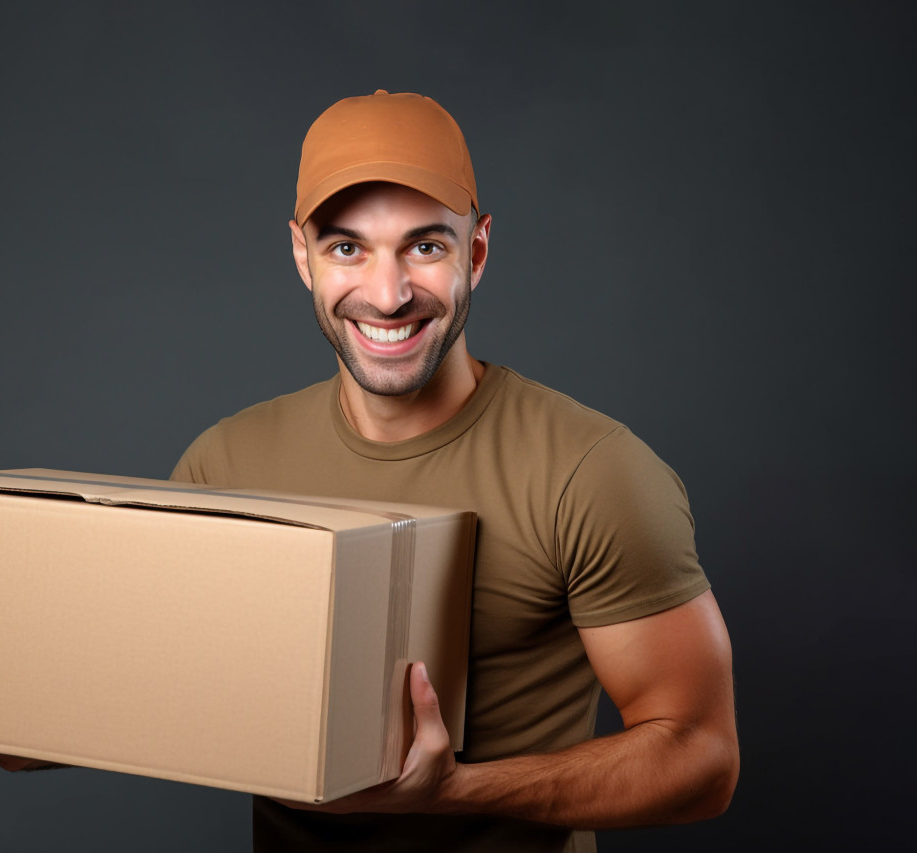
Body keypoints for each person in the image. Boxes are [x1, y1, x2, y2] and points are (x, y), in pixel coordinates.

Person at [166, 90, 739, 852]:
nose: (388, 293)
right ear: (302, 256)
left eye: (425, 246)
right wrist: (24, 721)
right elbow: (155, 682)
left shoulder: (592, 472)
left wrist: (454, 790)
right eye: (347, 248)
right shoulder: (224, 463)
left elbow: (702, 757)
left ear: (477, 250)